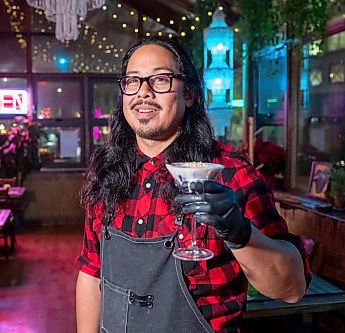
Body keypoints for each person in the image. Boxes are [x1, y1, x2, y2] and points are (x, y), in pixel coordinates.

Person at [75, 36, 310, 332]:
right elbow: (91, 272)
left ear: (190, 95)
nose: (143, 93)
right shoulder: (107, 170)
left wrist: (240, 233)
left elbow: (292, 289)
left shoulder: (230, 173)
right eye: (132, 81)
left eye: (160, 79)